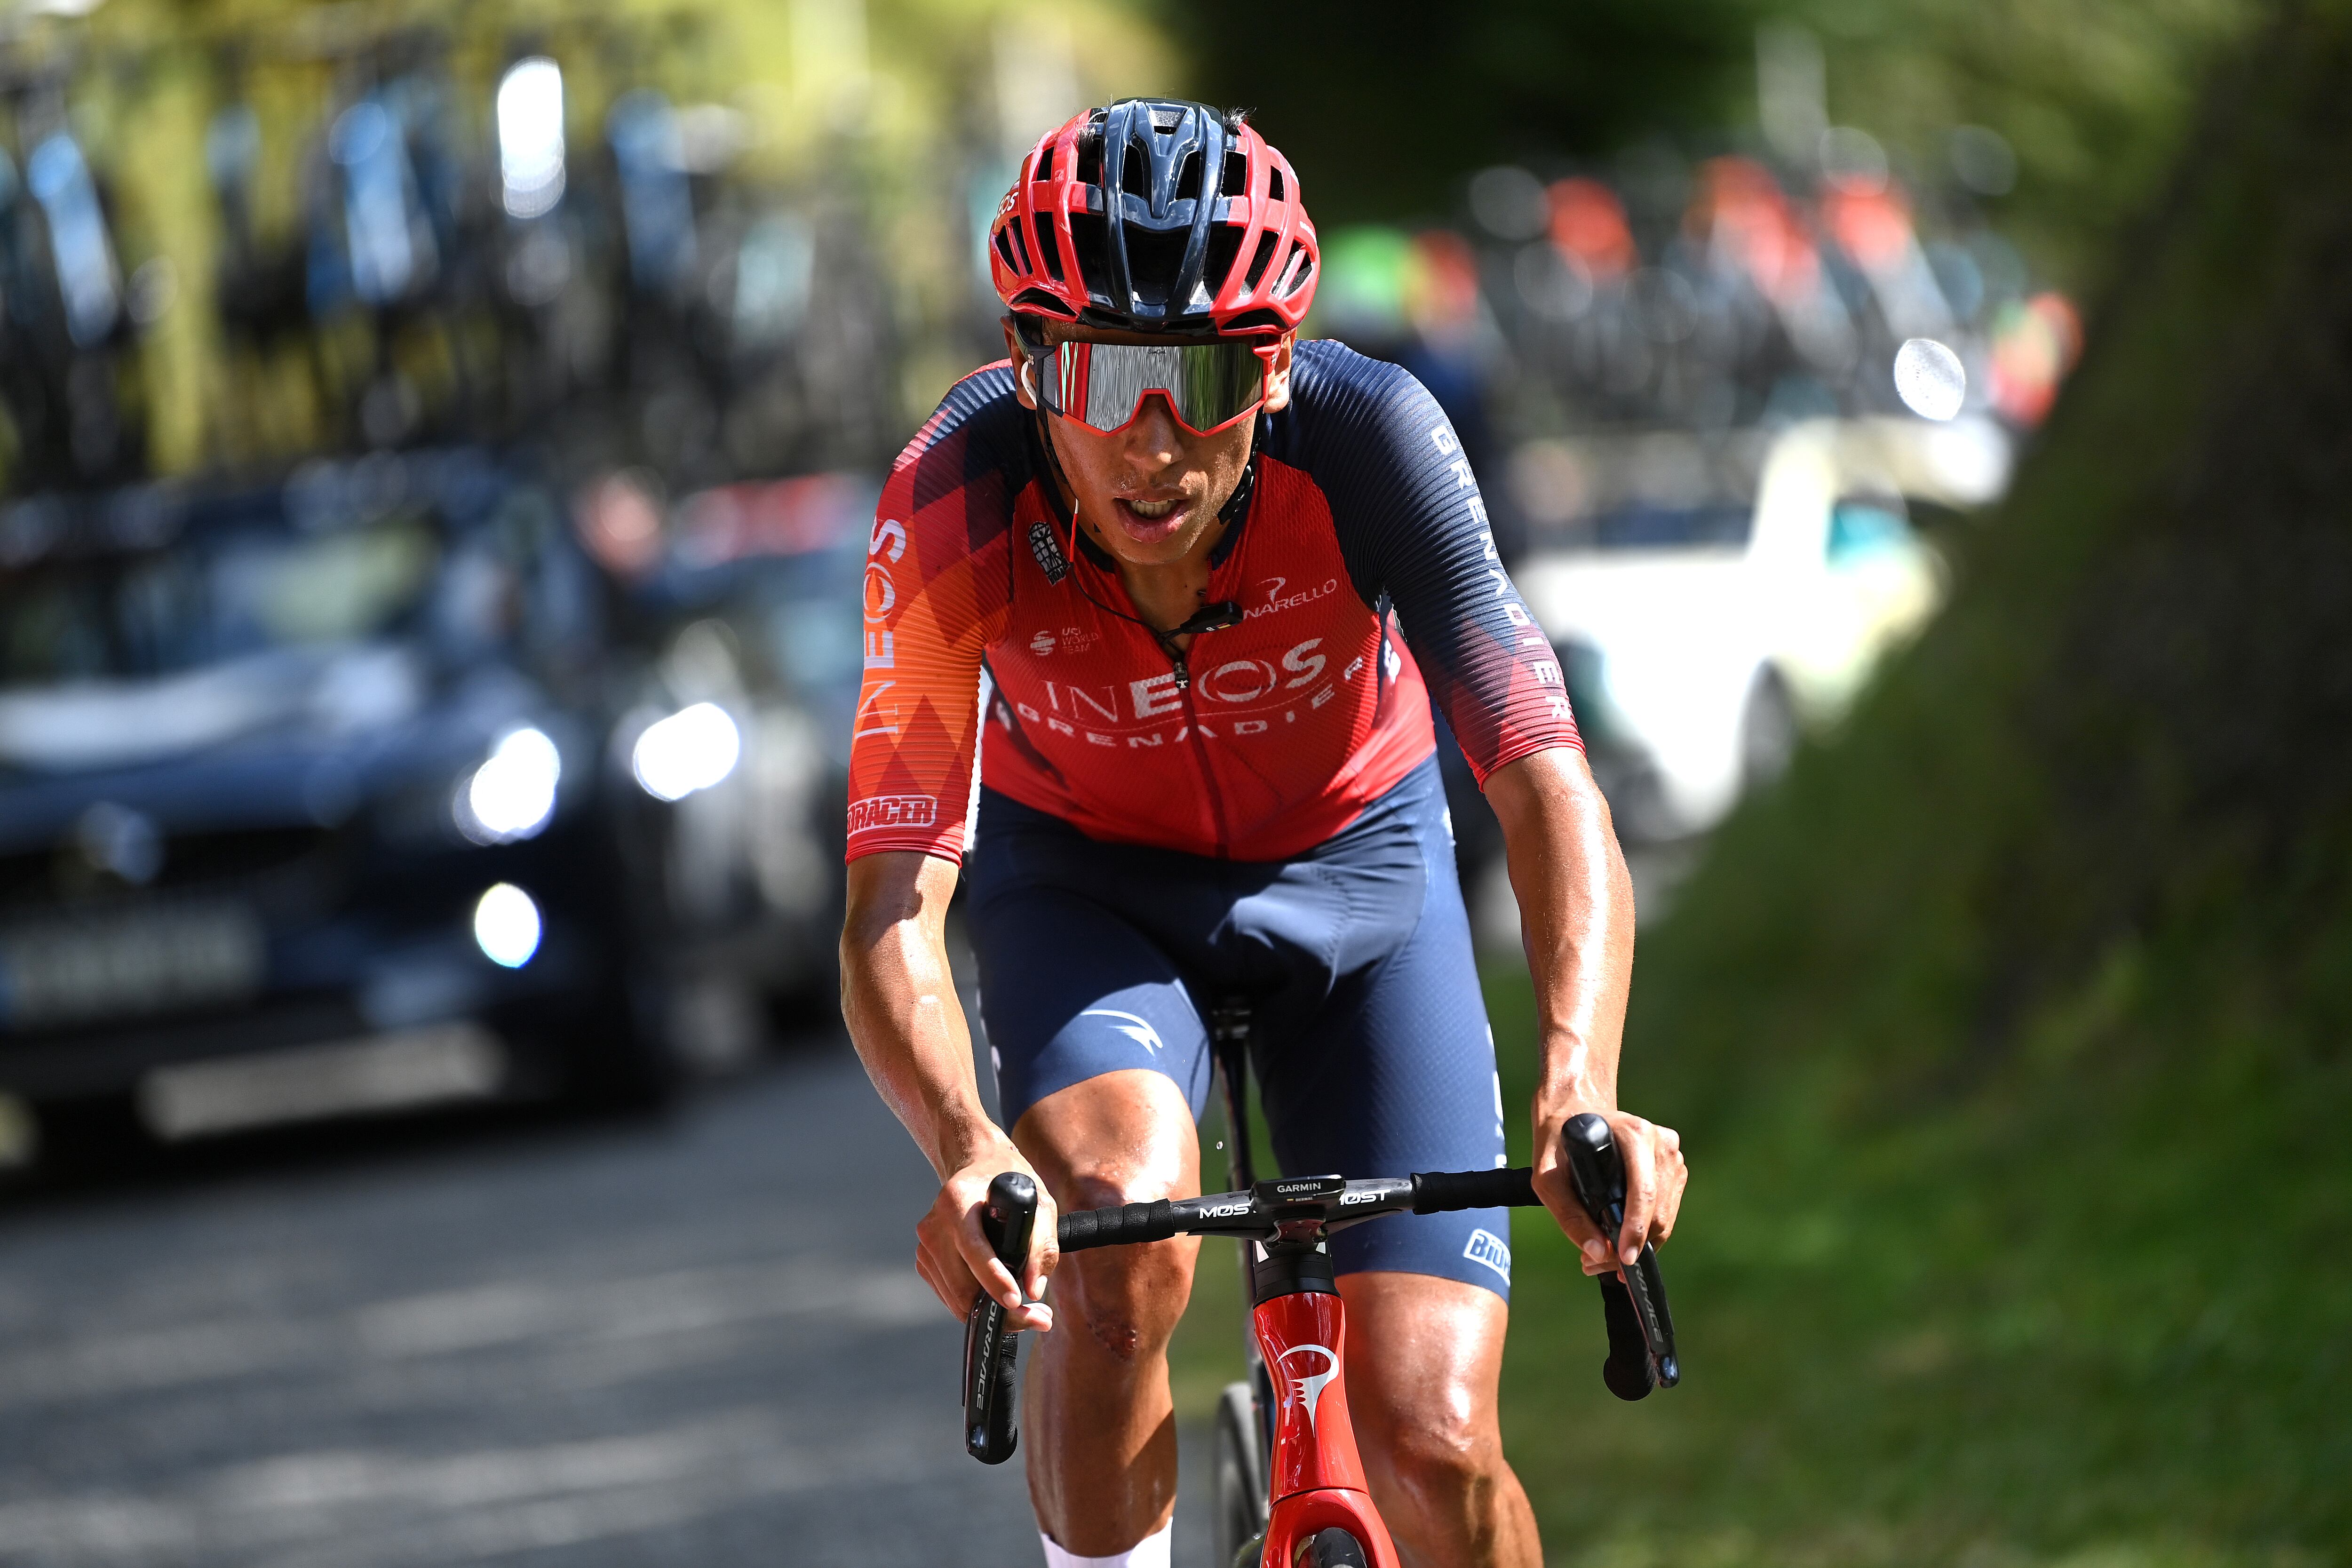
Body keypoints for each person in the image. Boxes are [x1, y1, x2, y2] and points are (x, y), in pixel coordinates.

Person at [841, 98, 1686, 1568]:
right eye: (1105, 374)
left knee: (1432, 1431)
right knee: (1117, 1239)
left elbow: (1545, 779)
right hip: (1088, 896)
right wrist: (967, 1148)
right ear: (1033, 360)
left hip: (1361, 874)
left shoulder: (1374, 441)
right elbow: (889, 909)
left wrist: (1580, 1080)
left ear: (1278, 367)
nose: (1150, 443)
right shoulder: (954, 494)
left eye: (1207, 378)